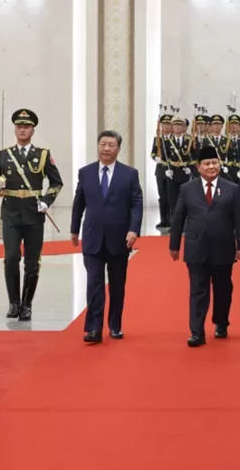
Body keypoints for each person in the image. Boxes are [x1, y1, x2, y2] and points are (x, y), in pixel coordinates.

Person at [169, 146, 240, 347]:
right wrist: (174, 244)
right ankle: (196, 332)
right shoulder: (187, 189)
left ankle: (221, 322)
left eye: (215, 162)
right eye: (207, 163)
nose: (211, 166)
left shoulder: (232, 188)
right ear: (198, 167)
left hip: (223, 247)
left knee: (223, 289)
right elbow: (178, 218)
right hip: (196, 248)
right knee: (198, 290)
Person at [0, 108, 64, 320]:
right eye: (19, 126)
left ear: (33, 129)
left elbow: (57, 183)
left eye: (26, 126)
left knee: (32, 261)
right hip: (11, 214)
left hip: (33, 214)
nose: (22, 129)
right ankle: (13, 303)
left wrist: (46, 200)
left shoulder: (43, 155)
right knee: (11, 257)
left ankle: (27, 304)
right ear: (15, 129)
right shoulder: (5, 155)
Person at [70, 130, 143, 343]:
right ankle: (93, 328)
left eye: (111, 145)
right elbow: (79, 203)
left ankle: (115, 325)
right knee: (94, 283)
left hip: (120, 238)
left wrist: (134, 229)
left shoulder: (129, 174)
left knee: (117, 284)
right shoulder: (86, 172)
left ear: (118, 149)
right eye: (103, 144)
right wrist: (74, 229)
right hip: (92, 237)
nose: (106, 148)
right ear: (98, 146)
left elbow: (136, 203)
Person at [150, 112, 173, 228]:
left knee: (172, 196)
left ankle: (172, 219)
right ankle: (164, 219)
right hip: (160, 171)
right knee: (162, 196)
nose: (167, 126)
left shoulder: (174, 139)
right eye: (164, 124)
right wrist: (156, 158)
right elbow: (152, 152)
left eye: (169, 123)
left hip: (172, 171)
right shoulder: (158, 139)